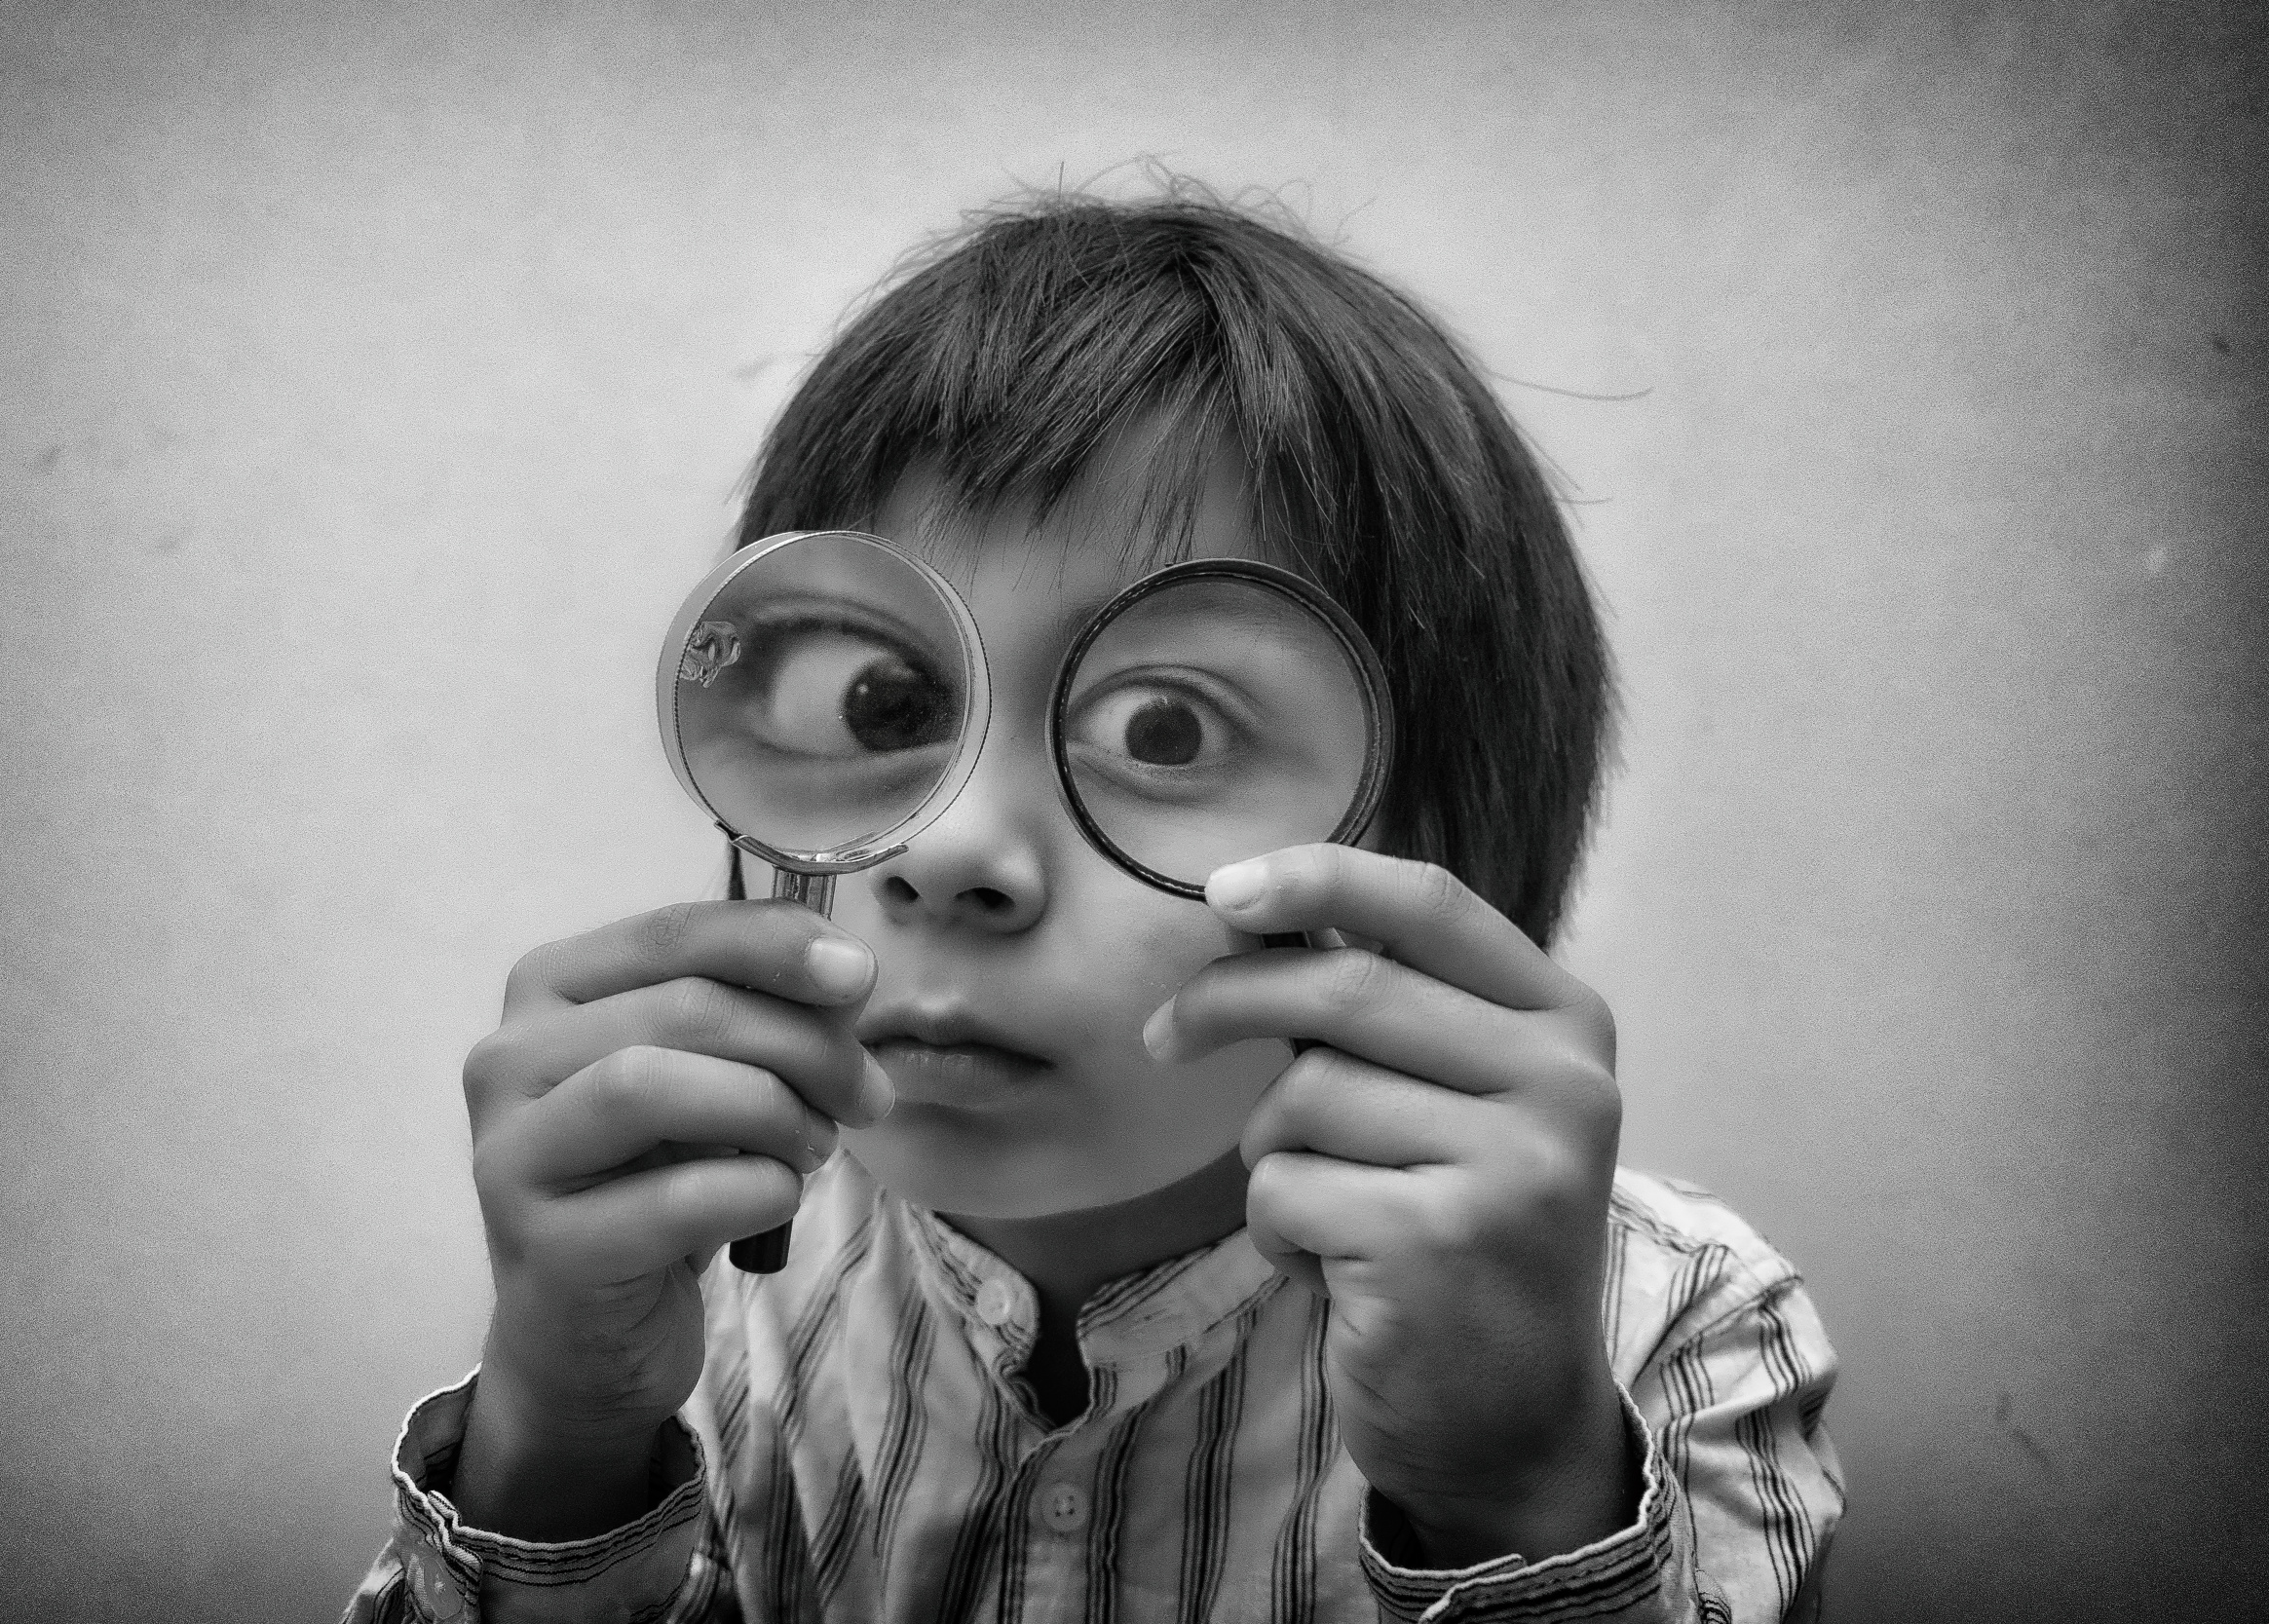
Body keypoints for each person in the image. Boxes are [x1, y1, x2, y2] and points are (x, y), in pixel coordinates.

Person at [346, 184, 1843, 1624]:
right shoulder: (687, 1308)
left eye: (1165, 729)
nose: (946, 854)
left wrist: (1515, 1490)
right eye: (881, 703)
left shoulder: (1659, 1332)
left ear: (1433, 870)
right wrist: (555, 1450)